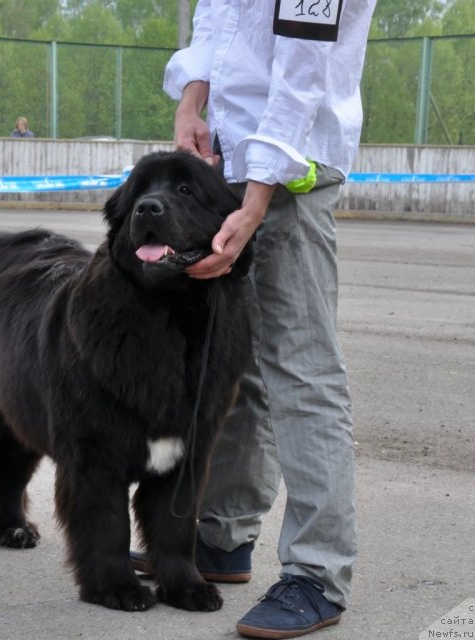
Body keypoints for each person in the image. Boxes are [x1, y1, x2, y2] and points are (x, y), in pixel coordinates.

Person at [132, 1, 377, 638]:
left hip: (292, 170)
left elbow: (303, 69)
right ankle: (220, 539)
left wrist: (259, 194)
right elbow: (215, 24)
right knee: (233, 362)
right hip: (230, 164)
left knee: (302, 370)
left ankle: (317, 576)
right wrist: (191, 103)